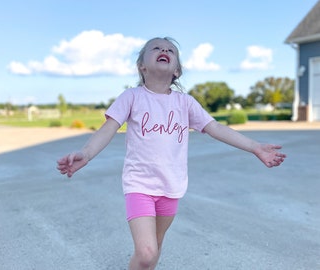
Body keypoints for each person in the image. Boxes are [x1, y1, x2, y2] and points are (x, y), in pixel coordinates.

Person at [57, 37, 286, 270]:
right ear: (142, 66)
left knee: (154, 249)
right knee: (146, 252)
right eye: (156, 48)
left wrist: (255, 146)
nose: (164, 50)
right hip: (140, 185)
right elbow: (108, 129)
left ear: (176, 69)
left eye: (170, 50)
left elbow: (215, 128)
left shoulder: (185, 103)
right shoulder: (132, 97)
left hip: (171, 187)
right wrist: (86, 154)